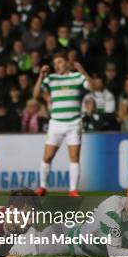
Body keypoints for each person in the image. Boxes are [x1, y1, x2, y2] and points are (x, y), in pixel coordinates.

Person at [10, 173, 128, 257]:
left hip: (76, 238)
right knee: (10, 250)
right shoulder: (113, 211)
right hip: (63, 240)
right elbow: (115, 253)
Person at [33, 52, 92, 197]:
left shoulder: (77, 77)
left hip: (74, 123)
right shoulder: (51, 78)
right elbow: (35, 95)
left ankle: (73, 189)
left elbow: (92, 86)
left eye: (59, 62)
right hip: (56, 124)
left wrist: (83, 71)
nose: (56, 65)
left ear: (67, 62)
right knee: (47, 157)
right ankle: (42, 187)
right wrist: (41, 76)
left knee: (74, 157)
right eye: (55, 63)